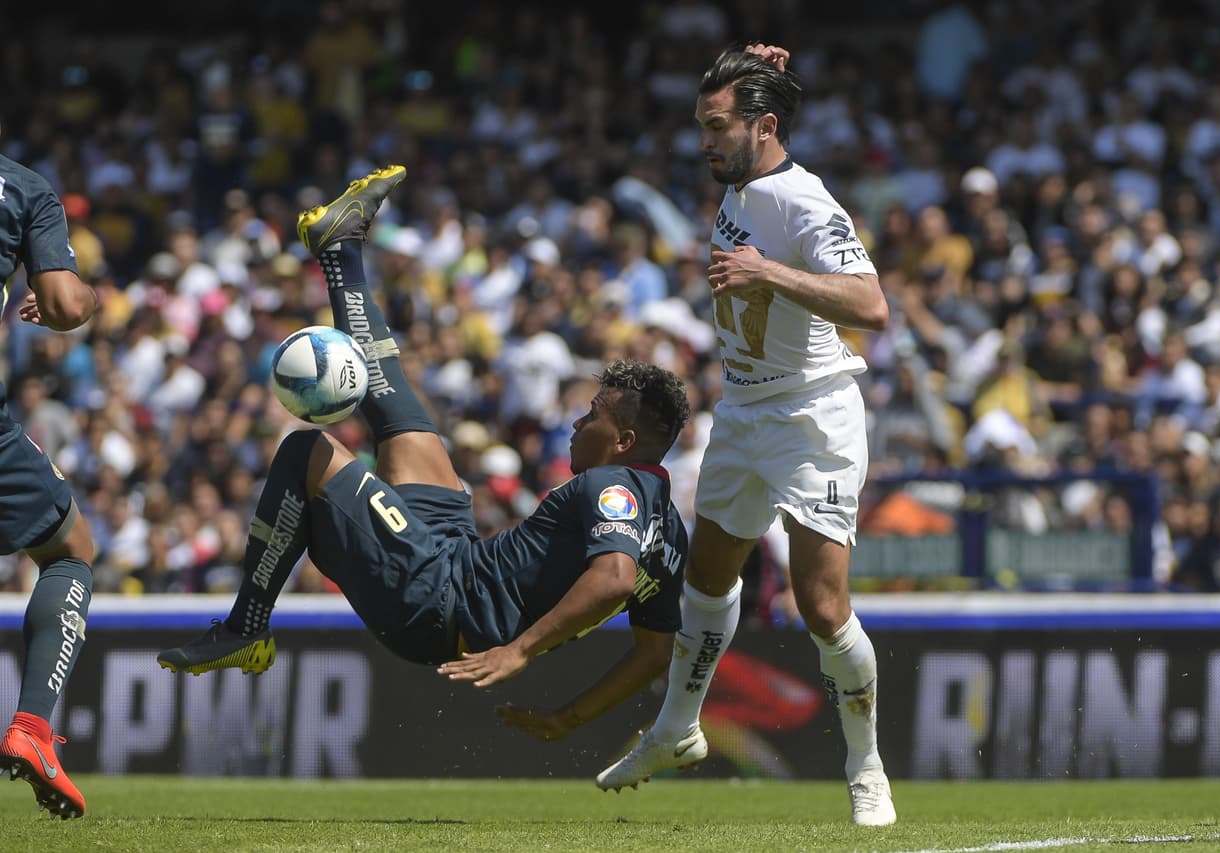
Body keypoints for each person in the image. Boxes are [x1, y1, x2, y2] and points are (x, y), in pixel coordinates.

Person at [157, 167, 692, 742]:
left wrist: (518, 652)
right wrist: (570, 718)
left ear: (624, 443)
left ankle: (246, 627)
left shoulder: (610, 489)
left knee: (305, 451)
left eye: (592, 416)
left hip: (439, 600)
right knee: (396, 411)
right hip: (456, 560)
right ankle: (340, 248)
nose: (576, 421)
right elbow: (654, 653)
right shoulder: (668, 534)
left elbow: (612, 578)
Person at [593, 44, 896, 826]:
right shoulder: (747, 177)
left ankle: (865, 766)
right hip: (744, 408)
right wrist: (759, 62)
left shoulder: (805, 202)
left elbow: (872, 306)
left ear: (763, 127)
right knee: (706, 576)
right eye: (701, 124)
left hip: (812, 414)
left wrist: (771, 275)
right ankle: (676, 727)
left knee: (822, 607)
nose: (704, 140)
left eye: (718, 125)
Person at [0, 154, 100, 820]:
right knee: (71, 549)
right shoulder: (23, 188)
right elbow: (66, 304)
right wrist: (76, 302)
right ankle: (33, 727)